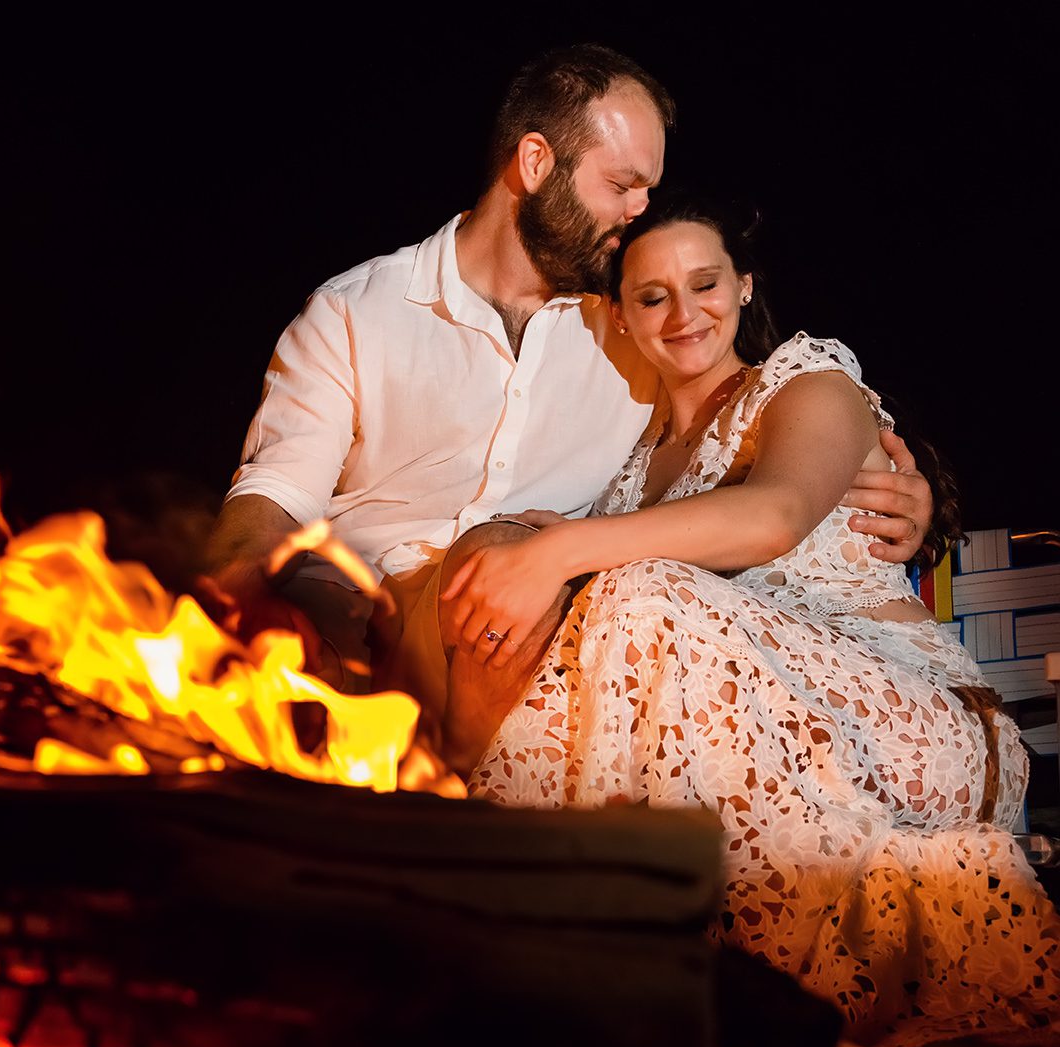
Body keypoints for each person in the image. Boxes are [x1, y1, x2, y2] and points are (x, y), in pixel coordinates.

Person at [443, 190, 1060, 1047]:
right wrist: (517, 548)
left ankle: (679, 981)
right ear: (622, 317)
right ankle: (560, 950)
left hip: (917, 730)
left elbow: (775, 514)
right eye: (653, 296)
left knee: (644, 592)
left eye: (705, 284)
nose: (683, 312)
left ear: (743, 289)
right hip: (767, 734)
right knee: (590, 626)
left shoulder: (806, 381)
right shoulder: (630, 476)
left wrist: (561, 551)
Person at [199, 43, 935, 760]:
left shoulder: (628, 325)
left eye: (649, 190)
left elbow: (737, 424)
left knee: (504, 557)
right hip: (357, 637)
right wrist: (234, 621)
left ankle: (467, 804)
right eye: (622, 187)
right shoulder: (354, 313)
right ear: (534, 163)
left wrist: (891, 475)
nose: (639, 211)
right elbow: (272, 498)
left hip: (528, 640)